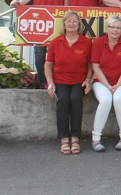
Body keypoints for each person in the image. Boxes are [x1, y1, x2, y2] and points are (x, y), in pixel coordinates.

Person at [11, 0, 68, 86]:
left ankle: (57, 80)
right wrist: (18, 2)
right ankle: (43, 81)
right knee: (40, 53)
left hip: (58, 20)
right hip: (41, 20)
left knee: (59, 54)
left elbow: (67, 0)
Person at [45, 11, 92, 155]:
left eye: (75, 21)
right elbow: (48, 64)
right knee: (63, 100)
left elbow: (90, 64)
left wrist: (88, 80)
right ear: (64, 24)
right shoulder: (56, 41)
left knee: (76, 100)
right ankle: (64, 138)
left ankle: (75, 137)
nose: (71, 24)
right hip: (60, 80)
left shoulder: (86, 42)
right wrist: (50, 83)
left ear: (79, 25)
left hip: (79, 80)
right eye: (68, 21)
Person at [90, 15, 121, 152]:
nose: (115, 30)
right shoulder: (98, 43)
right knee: (105, 100)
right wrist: (108, 86)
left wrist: (117, 85)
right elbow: (96, 67)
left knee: (118, 98)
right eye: (113, 27)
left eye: (119, 28)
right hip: (101, 82)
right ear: (107, 28)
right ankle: (96, 139)